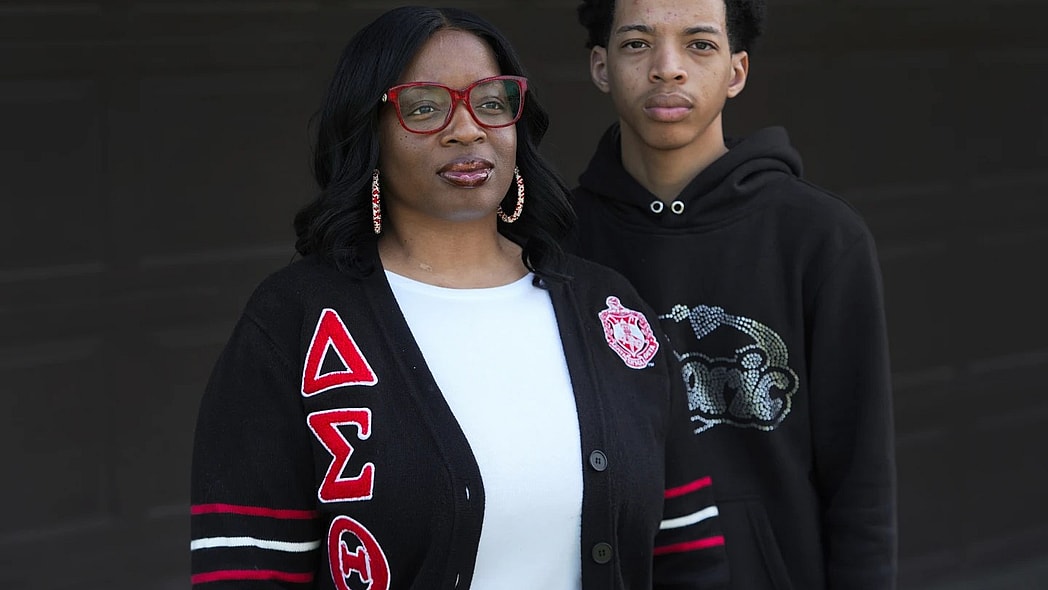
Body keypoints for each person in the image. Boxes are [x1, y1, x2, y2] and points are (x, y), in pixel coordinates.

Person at [190, 6, 729, 589]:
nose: (468, 129)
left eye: (491, 103)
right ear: (370, 130)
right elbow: (244, 571)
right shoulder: (294, 319)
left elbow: (690, 555)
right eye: (425, 108)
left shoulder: (608, 311)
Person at [569, 0, 897, 589]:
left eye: (699, 44)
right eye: (637, 43)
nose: (667, 67)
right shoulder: (558, 243)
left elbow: (861, 482)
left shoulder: (820, 237)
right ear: (601, 66)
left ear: (736, 71)